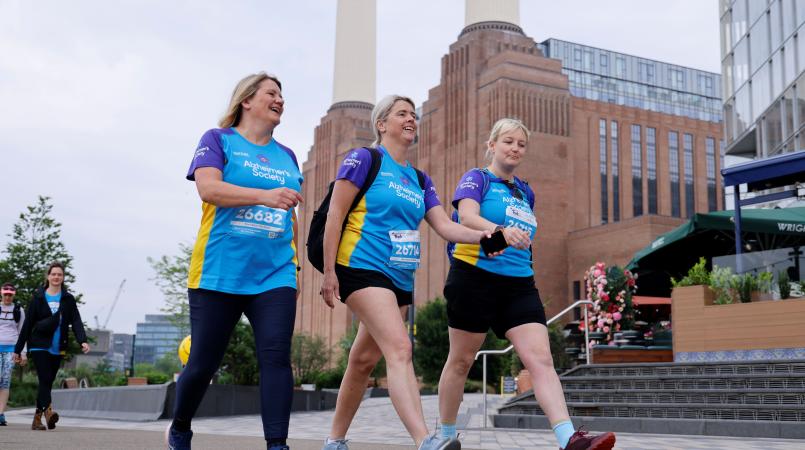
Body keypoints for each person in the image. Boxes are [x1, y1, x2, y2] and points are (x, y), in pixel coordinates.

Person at [320, 95, 494, 450]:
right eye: (402, 114)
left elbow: (445, 226)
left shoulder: (419, 178)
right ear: (381, 124)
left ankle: (334, 441)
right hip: (361, 266)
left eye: (414, 115)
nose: (411, 119)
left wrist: (486, 236)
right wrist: (328, 272)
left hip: (400, 278)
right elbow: (335, 215)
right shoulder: (364, 159)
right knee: (400, 347)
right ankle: (424, 441)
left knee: (363, 360)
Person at [436, 118, 616, 450]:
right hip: (474, 278)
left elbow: (525, 235)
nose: (515, 148)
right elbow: (466, 216)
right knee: (461, 361)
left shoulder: (525, 191)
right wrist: (499, 230)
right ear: (492, 145)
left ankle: (569, 438)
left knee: (541, 360)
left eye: (521, 144)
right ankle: (445, 435)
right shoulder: (477, 179)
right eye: (508, 142)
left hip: (519, 284)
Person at [167, 71, 304, 450]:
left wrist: (295, 268)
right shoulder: (218, 140)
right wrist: (264, 196)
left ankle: (277, 444)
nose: (280, 100)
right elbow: (208, 189)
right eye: (271, 93)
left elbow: (289, 210)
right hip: (220, 270)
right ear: (246, 100)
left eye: (282, 95)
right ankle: (180, 426)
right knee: (203, 364)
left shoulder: (288, 156)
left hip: (274, 273)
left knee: (277, 358)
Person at [13, 262, 90, 431]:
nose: (56, 277)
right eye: (53, 274)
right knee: (44, 378)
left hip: (58, 346)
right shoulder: (38, 297)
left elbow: (75, 320)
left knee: (47, 382)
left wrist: (82, 340)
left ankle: (36, 420)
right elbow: (27, 325)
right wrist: (18, 349)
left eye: (59, 275)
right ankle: (49, 413)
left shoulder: (67, 299)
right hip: (39, 345)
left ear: (63, 278)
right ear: (48, 276)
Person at [0, 283, 25, 426]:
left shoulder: (18, 310)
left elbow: (22, 332)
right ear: (1, 294)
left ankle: (1, 413)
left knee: (5, 381)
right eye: (5, 294)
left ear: (13, 295)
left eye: (10, 294)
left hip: (11, 349)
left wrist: (23, 352)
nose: (8, 297)